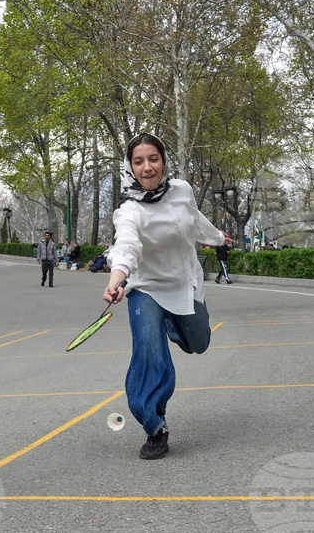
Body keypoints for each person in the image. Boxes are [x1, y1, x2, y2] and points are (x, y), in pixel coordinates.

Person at [103, 133, 228, 461]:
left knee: (199, 342)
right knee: (149, 354)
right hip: (145, 288)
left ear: (164, 160)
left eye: (153, 159)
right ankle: (154, 426)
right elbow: (126, 247)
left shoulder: (182, 190)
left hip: (185, 285)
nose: (147, 167)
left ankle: (175, 326)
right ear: (130, 166)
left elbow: (194, 220)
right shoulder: (128, 210)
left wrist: (216, 238)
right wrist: (118, 279)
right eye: (139, 161)